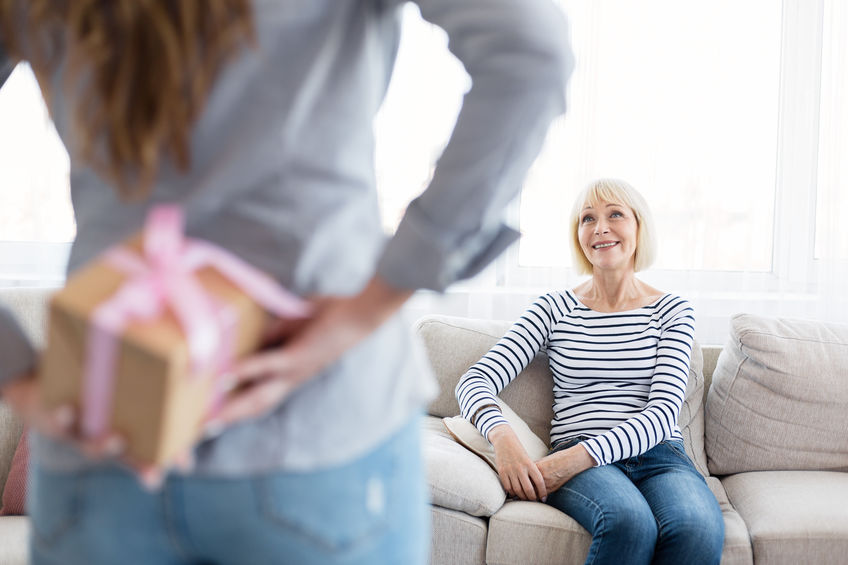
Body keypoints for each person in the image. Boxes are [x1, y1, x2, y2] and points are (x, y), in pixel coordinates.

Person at [0, 1, 573, 564]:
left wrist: (20, 374)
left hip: (102, 430)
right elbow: (530, 46)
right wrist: (381, 292)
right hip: (319, 435)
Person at [455, 178, 725, 564]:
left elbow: (663, 412)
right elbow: (475, 380)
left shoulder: (672, 311)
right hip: (581, 456)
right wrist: (504, 441)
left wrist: (573, 460)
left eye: (615, 214)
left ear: (638, 226)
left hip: (657, 456)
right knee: (629, 523)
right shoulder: (554, 308)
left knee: (697, 530)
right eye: (587, 218)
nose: (600, 228)